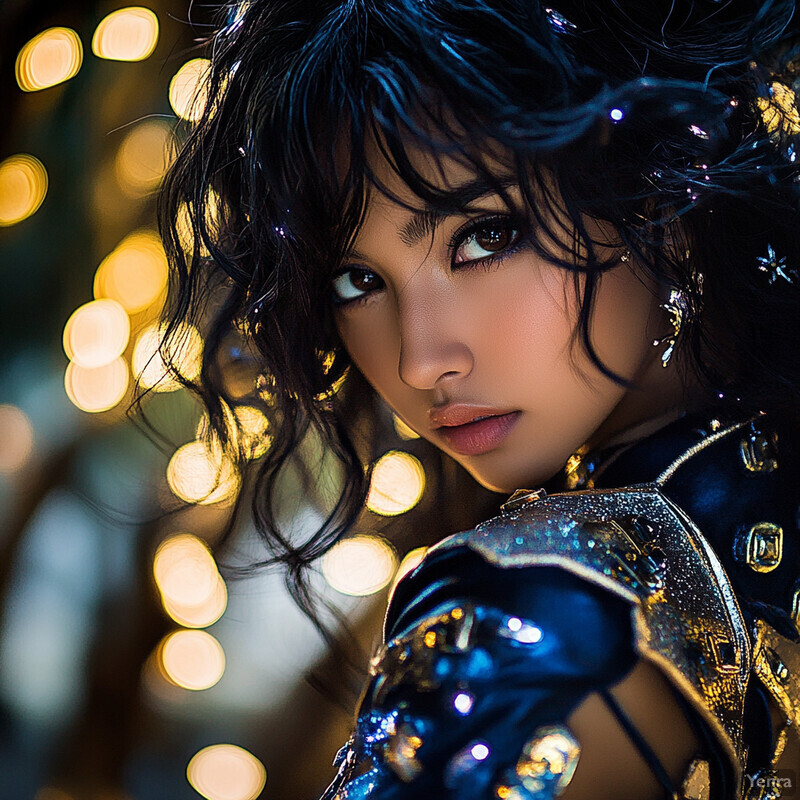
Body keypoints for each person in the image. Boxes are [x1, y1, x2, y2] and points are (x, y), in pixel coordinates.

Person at [158, 0, 800, 797]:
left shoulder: (533, 612)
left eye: (484, 236)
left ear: (660, 196)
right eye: (356, 281)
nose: (422, 359)